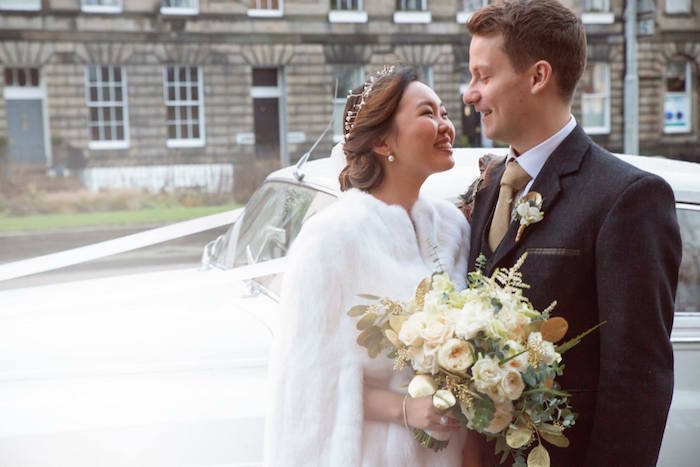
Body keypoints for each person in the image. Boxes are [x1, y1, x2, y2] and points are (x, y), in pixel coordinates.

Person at [461, 1, 682, 466]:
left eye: (483, 76)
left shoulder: (628, 197)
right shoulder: (486, 187)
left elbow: (638, 381)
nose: (469, 94)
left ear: (538, 77)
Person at [264, 66, 471, 466]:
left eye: (445, 112)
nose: (446, 126)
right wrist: (406, 410)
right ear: (381, 140)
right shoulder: (332, 238)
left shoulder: (453, 229)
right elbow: (307, 381)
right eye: (428, 114)